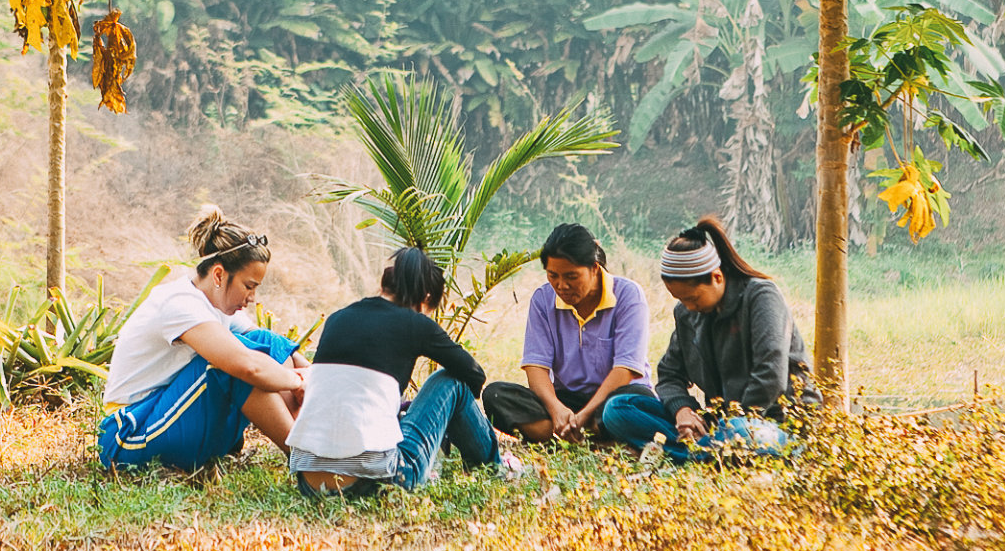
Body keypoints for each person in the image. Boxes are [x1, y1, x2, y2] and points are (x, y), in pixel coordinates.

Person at [286, 247, 524, 498]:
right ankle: (493, 466)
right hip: (377, 480)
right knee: (450, 381)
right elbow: (474, 375)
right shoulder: (415, 323)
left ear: (384, 285)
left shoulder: (337, 318)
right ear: (425, 298)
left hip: (308, 483)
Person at [96, 205, 309, 471]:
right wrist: (296, 381)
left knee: (267, 342)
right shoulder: (178, 302)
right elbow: (247, 365)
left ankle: (319, 443)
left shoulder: (218, 307)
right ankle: (307, 459)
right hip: (129, 436)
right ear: (219, 274)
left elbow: (270, 345)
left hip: (171, 423)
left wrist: (310, 374)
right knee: (231, 365)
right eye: (249, 286)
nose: (252, 298)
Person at [599, 216, 821, 462]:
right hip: (718, 424)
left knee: (737, 431)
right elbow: (670, 374)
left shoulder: (761, 296)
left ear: (717, 277)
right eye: (681, 300)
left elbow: (770, 375)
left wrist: (731, 423)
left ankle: (689, 454)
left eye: (693, 298)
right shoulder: (687, 314)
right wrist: (683, 412)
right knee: (618, 409)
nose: (688, 307)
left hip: (773, 423)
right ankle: (704, 452)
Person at [483, 224, 656, 443]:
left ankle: (566, 435)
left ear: (594, 268)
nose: (561, 285)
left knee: (637, 402)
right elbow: (536, 366)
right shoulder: (542, 300)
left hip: (614, 400)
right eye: (552, 275)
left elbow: (626, 370)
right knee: (496, 395)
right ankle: (584, 434)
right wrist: (556, 409)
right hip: (567, 401)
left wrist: (585, 414)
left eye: (571, 276)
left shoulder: (628, 295)